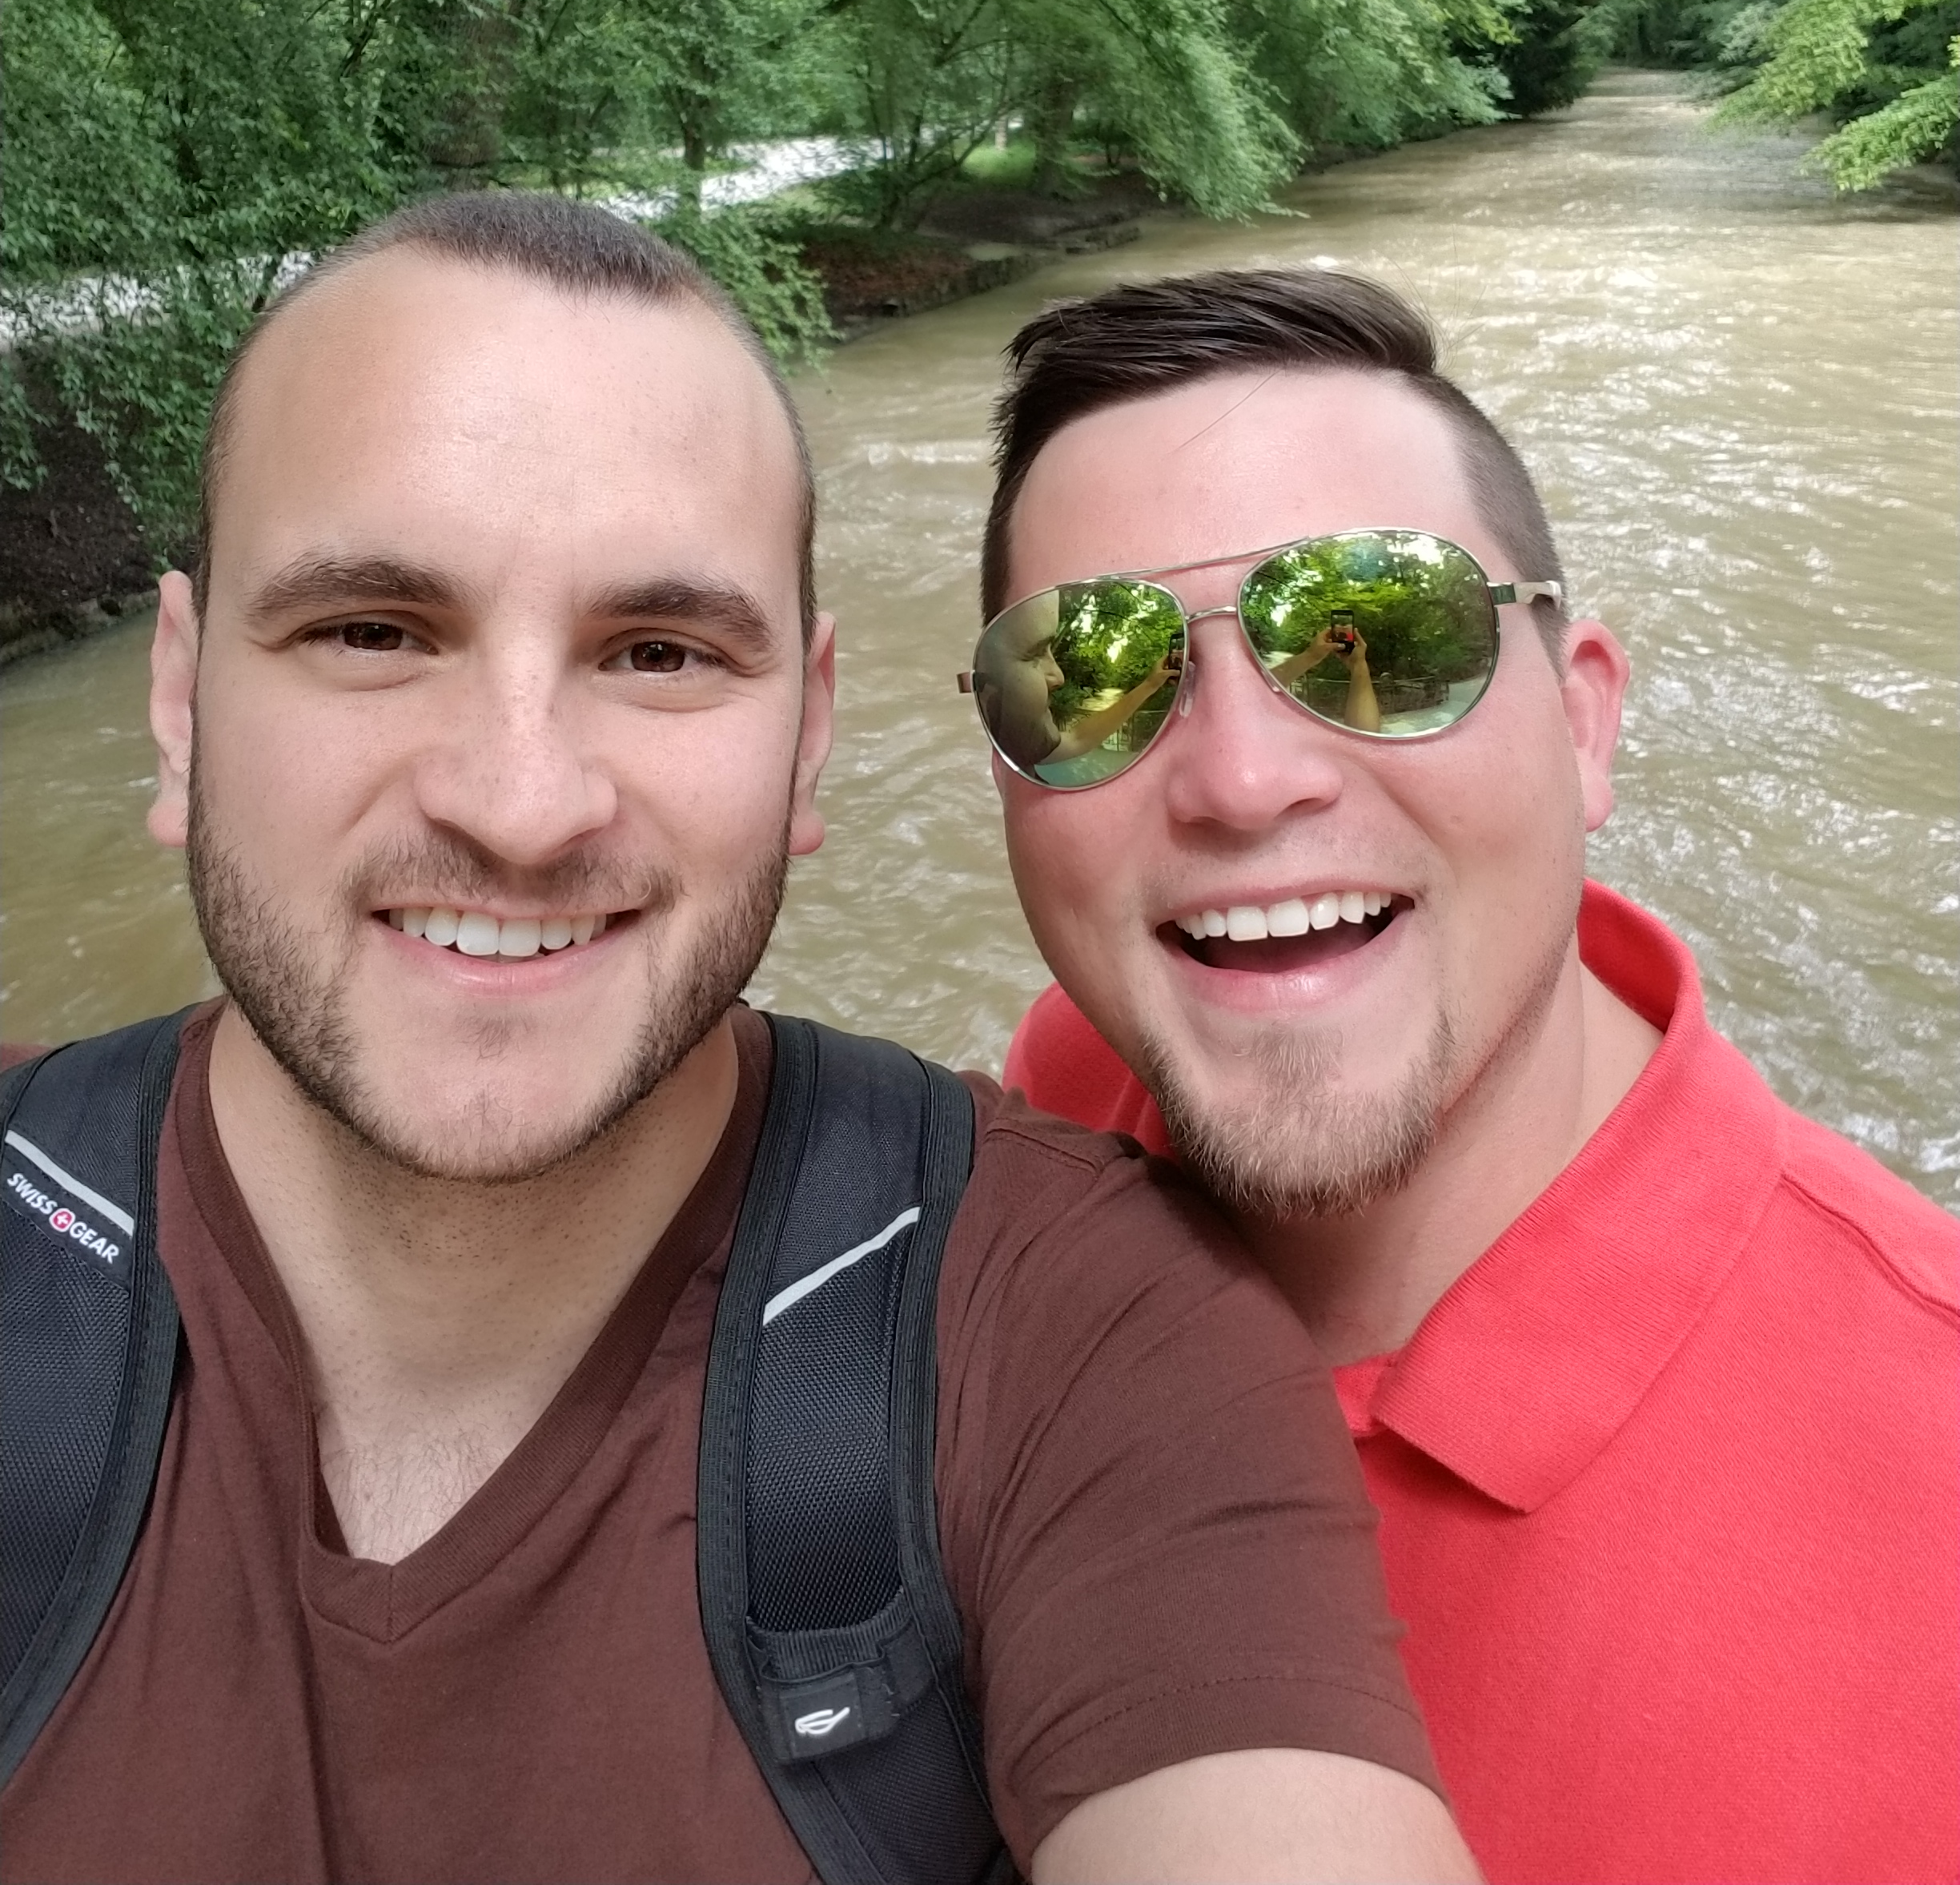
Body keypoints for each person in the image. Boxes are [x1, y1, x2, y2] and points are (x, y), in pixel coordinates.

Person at [0, 200, 1478, 1885]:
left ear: (810, 737)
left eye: (660, 653)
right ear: (180, 701)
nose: (521, 803)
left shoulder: (1083, 1336)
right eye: (374, 633)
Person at [980, 267, 1960, 1885]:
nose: (1241, 780)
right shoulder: (1062, 1110)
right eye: (1089, 677)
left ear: (1584, 724)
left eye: (1380, 638)